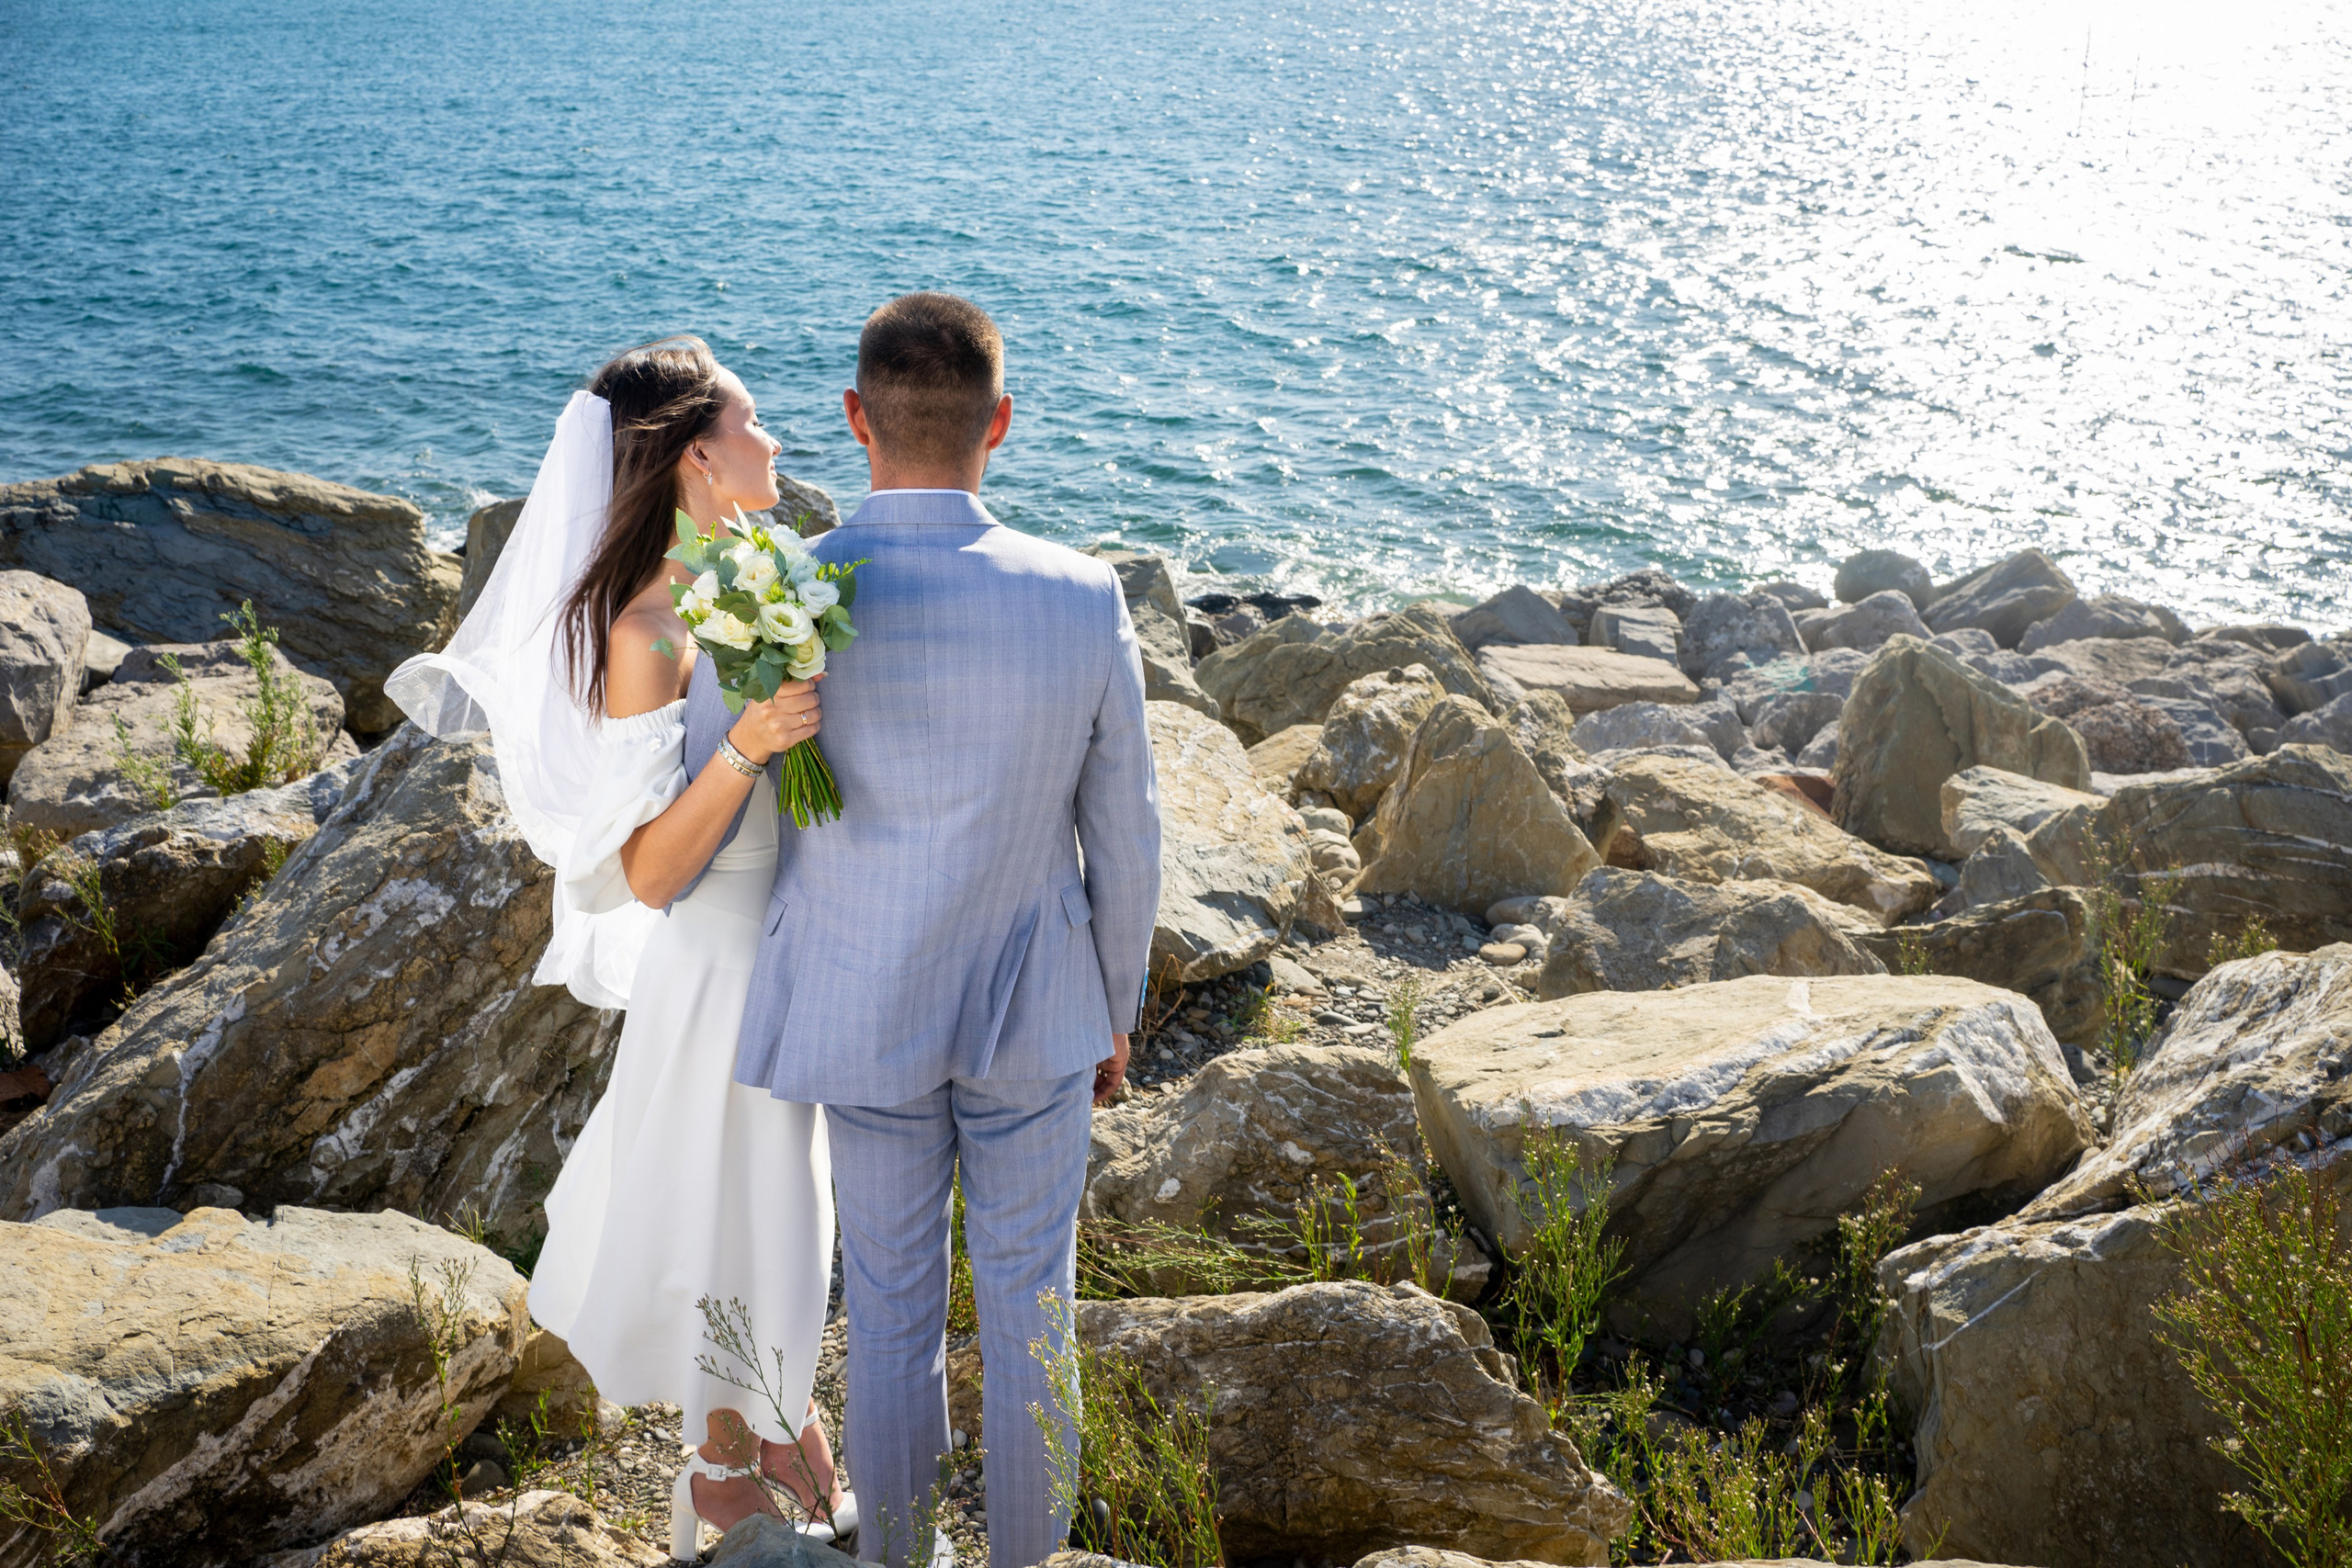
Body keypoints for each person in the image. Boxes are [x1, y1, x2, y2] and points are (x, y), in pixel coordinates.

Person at [672, 293, 1161, 1568]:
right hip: (1035, 1010)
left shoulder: (772, 593)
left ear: (854, 420)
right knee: (1031, 1307)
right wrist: (1116, 1006)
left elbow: (718, 808)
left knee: (887, 1318)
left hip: (861, 1003)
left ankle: (893, 1559)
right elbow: (1128, 836)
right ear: (1000, 423)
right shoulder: (1083, 594)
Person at [385, 337, 855, 1558]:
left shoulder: (744, 570)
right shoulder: (644, 628)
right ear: (699, 456)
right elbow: (647, 868)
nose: (778, 442)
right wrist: (751, 744)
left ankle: (778, 1429)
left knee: (775, 1217)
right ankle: (723, 1475)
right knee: (739, 1220)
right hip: (718, 961)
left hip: (783, 944)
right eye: (758, 426)